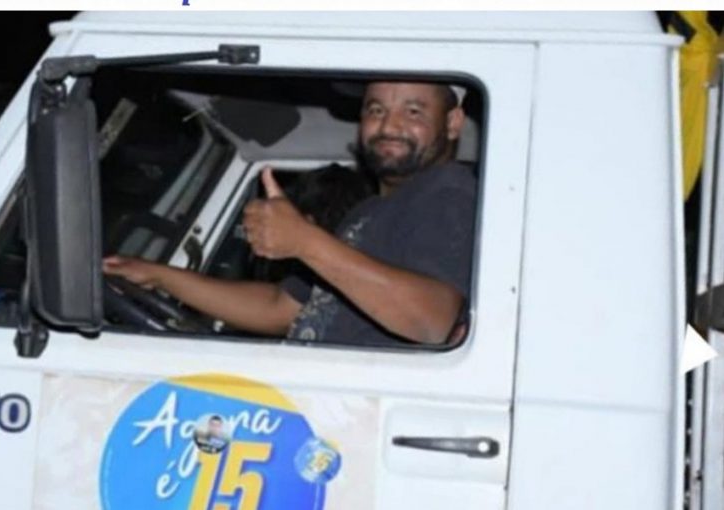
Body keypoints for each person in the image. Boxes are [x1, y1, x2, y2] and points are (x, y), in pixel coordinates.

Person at [104, 81, 476, 345]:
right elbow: (282, 308)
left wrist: (304, 241)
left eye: (413, 111)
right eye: (376, 110)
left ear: (453, 123)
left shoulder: (450, 191)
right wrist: (159, 276)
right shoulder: (373, 211)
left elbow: (431, 321)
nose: (389, 125)